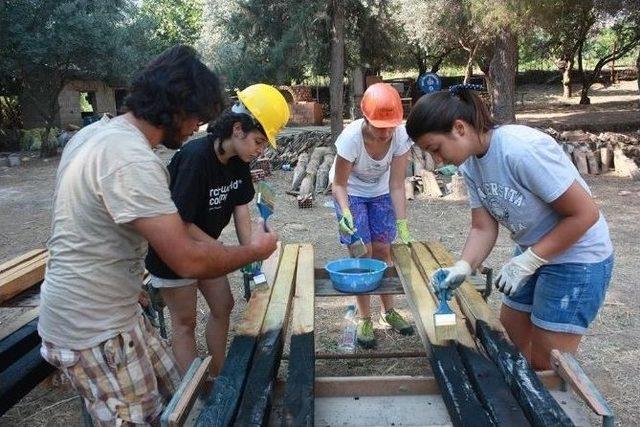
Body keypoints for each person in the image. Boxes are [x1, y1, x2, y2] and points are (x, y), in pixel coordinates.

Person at [38, 45, 278, 425]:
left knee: (175, 394)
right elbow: (187, 259)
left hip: (115, 313)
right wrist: (255, 252)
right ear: (177, 108)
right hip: (95, 330)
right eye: (195, 117)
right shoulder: (132, 159)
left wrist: (129, 284)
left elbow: (81, 226)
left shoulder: (96, 135)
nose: (196, 128)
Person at [405, 84, 613, 370]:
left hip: (577, 259)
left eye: (436, 149)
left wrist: (529, 260)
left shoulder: (520, 150)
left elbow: (584, 215)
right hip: (532, 255)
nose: (437, 160)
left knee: (546, 365)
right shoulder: (470, 165)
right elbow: (482, 227)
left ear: (459, 127)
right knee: (510, 345)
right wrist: (463, 266)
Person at [145, 83, 290, 375]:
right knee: (185, 323)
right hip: (172, 255)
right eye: (259, 141)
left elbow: (241, 209)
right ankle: (194, 393)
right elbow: (181, 223)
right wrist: (223, 251)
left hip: (206, 248)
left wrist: (252, 253)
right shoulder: (195, 158)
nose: (261, 150)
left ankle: (219, 374)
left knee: (224, 305)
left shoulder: (239, 162)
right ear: (238, 129)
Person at [330, 82, 415, 349]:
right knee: (362, 253)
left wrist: (401, 223)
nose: (387, 132)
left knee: (382, 250)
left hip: (381, 191)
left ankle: (388, 311)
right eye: (380, 126)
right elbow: (340, 184)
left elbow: (397, 184)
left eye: (391, 125)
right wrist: (344, 212)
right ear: (365, 117)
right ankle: (365, 317)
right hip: (351, 192)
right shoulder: (350, 139)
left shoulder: (400, 136)